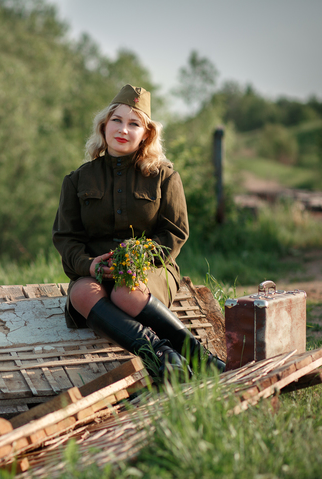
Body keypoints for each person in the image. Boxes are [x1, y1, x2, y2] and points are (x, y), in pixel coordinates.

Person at [52, 84, 225, 379]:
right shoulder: (77, 180)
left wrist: (138, 259)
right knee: (81, 292)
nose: (123, 129)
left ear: (146, 134)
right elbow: (66, 238)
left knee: (126, 292)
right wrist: (88, 266)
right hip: (97, 271)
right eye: (117, 120)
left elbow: (175, 232)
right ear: (104, 126)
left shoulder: (164, 176)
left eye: (134, 124)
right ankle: (164, 357)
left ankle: (199, 357)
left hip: (151, 269)